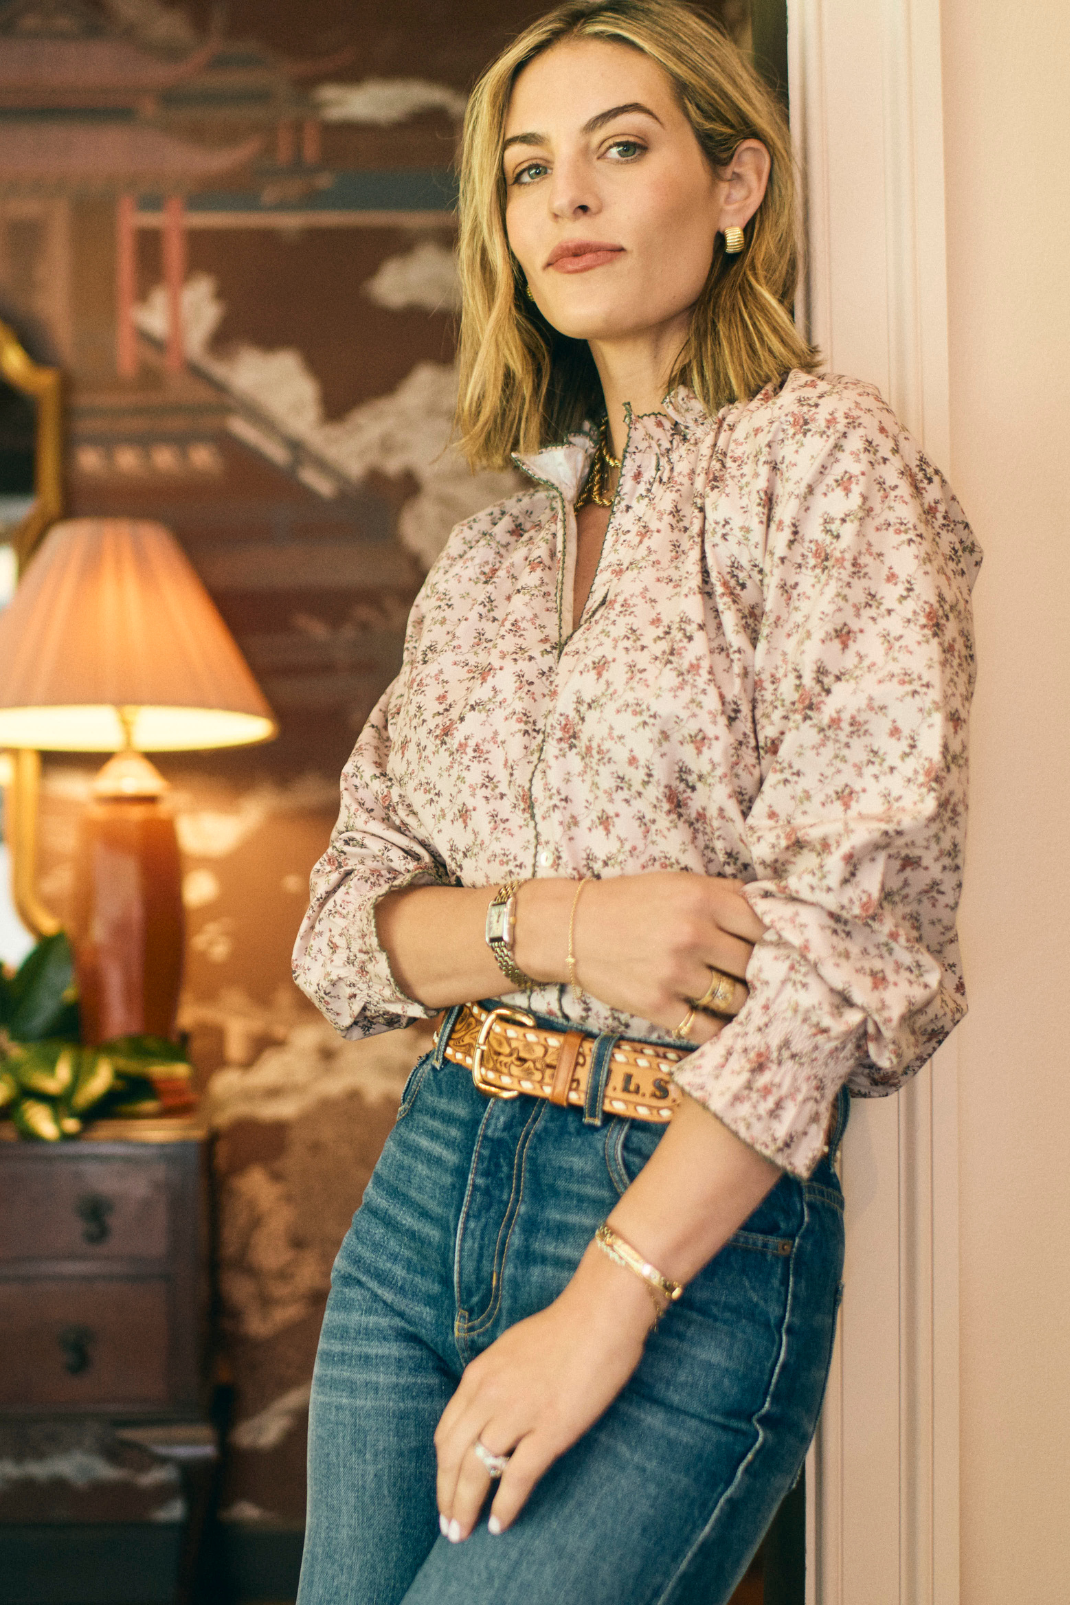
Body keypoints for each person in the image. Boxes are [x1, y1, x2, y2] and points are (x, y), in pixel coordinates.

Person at [291, 3, 980, 1601]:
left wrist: (608, 1297)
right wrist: (572, 930)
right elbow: (343, 937)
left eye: (621, 146)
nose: (568, 200)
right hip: (426, 1188)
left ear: (734, 186)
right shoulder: (487, 558)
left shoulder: (827, 467)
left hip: (678, 1228)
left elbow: (846, 945)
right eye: (529, 170)